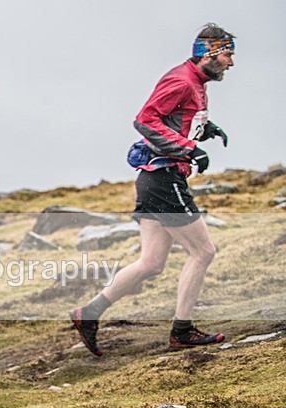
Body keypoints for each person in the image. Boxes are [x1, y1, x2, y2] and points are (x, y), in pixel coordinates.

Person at [70, 24, 235, 356]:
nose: (231, 63)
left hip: (154, 178)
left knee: (151, 262)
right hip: (164, 178)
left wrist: (205, 130)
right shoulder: (182, 81)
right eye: (228, 55)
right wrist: (188, 149)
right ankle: (182, 332)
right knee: (203, 252)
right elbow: (146, 120)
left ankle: (88, 313)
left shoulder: (197, 83)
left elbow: (176, 120)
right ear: (209, 53)